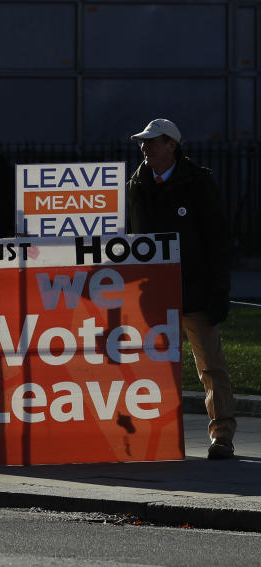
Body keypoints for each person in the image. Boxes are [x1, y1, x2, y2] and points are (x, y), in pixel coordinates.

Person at [126, 118, 236, 459]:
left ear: (172, 145)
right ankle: (157, 435)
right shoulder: (137, 183)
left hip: (196, 290)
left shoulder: (198, 182)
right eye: (143, 142)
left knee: (210, 366)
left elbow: (217, 240)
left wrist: (219, 291)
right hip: (155, 293)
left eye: (152, 141)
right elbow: (132, 238)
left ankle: (222, 436)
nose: (145, 147)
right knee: (152, 366)